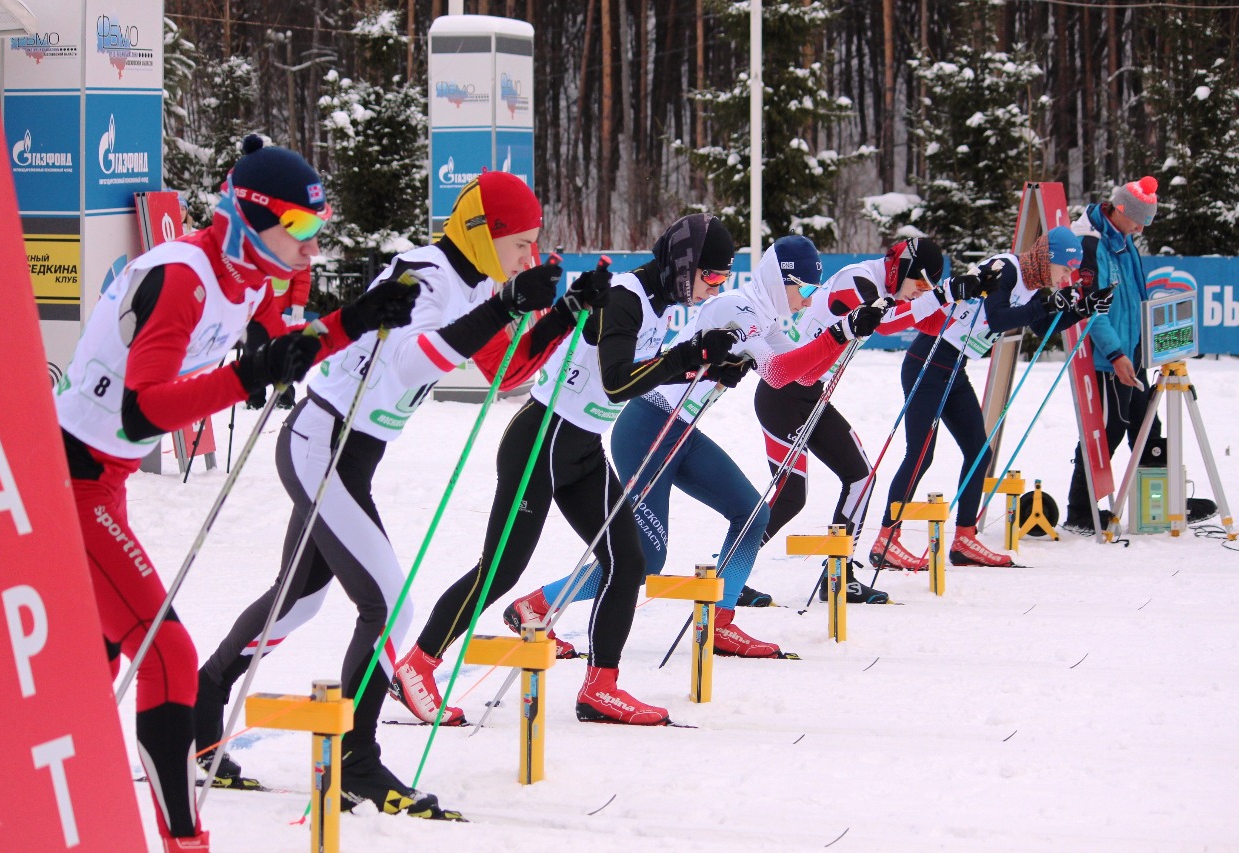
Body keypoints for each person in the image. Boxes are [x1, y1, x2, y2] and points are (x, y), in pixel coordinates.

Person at [54, 135, 417, 852]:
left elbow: (283, 339)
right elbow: (143, 410)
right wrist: (252, 373)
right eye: (303, 230)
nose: (312, 249)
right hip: (70, 480)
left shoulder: (245, 275)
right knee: (168, 657)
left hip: (105, 478)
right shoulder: (185, 276)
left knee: (97, 664)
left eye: (322, 229)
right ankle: (183, 839)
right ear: (251, 216)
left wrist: (361, 316)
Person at [195, 170, 572, 819]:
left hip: (347, 458)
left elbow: (504, 368)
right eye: (520, 244)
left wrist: (564, 310)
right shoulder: (423, 274)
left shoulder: (477, 283)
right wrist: (507, 304)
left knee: (298, 602)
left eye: (534, 246)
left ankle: (203, 713)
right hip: (323, 446)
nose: (527, 258)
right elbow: (414, 359)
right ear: (482, 233)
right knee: (389, 601)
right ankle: (357, 761)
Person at [391, 213, 742, 726]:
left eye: (724, 279)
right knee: (501, 570)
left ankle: (601, 686)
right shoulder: (624, 297)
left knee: (628, 559)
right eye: (712, 276)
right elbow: (621, 381)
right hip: (541, 441)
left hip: (580, 449)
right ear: (684, 265)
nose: (716, 288)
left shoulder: (657, 305)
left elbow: (643, 369)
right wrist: (686, 356)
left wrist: (705, 365)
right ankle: (417, 665)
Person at [503, 235, 885, 657]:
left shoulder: (767, 318)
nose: (807, 299)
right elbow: (777, 374)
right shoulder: (735, 307)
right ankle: (536, 606)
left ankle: (720, 620)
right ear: (782, 280)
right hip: (648, 425)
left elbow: (806, 376)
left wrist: (846, 333)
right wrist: (838, 334)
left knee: (751, 513)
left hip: (681, 431)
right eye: (806, 289)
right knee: (646, 559)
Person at [872, 227, 1111, 569]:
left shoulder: (1031, 284)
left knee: (978, 451)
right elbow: (998, 316)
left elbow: (1042, 327)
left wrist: (1081, 309)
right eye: (1063, 270)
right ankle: (886, 540)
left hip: (953, 368)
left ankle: (964, 538)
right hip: (928, 361)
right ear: (1047, 259)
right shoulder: (1008, 268)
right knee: (920, 454)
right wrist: (1045, 305)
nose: (1065, 278)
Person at [751, 237, 950, 604]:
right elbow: (888, 325)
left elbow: (934, 323)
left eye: (927, 288)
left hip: (811, 393)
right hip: (782, 392)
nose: (919, 293)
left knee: (861, 476)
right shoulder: (857, 279)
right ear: (901, 268)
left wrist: (966, 294)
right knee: (791, 496)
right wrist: (940, 296)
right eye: (919, 284)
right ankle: (731, 571)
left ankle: (839, 574)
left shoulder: (892, 289)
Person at [1062, 176, 1181, 534]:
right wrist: (1115, 353)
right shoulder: (1089, 243)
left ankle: (1159, 505)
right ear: (1121, 210)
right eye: (1139, 219)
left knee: (1148, 425)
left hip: (1131, 355)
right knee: (1109, 430)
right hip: (1109, 359)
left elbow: (1136, 300)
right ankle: (1079, 511)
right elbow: (1088, 309)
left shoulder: (1124, 240)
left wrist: (1145, 348)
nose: (1142, 227)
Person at [245, 268, 312, 410]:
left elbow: (302, 275)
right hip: (255, 309)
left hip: (281, 311)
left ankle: (284, 396)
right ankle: (255, 397)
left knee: (282, 354)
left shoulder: (294, 247)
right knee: (253, 352)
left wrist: (298, 303)